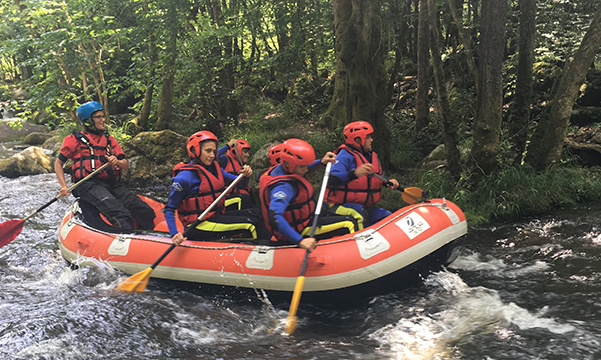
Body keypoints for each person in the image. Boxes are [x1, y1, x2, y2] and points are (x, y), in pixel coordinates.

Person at [54, 101, 156, 232]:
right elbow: (58, 163)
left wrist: (117, 161)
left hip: (110, 184)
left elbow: (125, 165)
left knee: (145, 210)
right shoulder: (74, 140)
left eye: (103, 116)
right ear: (88, 121)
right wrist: (64, 186)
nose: (103, 120)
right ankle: (123, 241)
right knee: (121, 214)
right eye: (98, 117)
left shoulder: (109, 140)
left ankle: (149, 238)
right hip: (87, 185)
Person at [165, 130, 269, 245]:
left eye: (214, 151)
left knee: (258, 213)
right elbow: (169, 209)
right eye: (208, 151)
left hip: (216, 215)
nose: (212, 155)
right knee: (251, 224)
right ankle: (263, 253)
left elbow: (239, 184)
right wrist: (174, 234)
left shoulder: (214, 168)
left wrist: (246, 175)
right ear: (195, 151)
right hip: (198, 225)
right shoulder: (184, 177)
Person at [259, 138, 358, 252]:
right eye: (302, 166)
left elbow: (305, 169)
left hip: (306, 218)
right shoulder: (284, 187)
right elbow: (274, 217)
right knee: (349, 223)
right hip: (298, 230)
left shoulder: (282, 169)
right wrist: (300, 241)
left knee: (325, 209)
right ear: (287, 163)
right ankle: (354, 259)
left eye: (306, 165)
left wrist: (321, 162)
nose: (306, 169)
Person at [325, 121, 400, 229]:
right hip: (337, 206)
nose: (372, 140)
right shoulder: (344, 156)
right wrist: (354, 173)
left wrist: (387, 181)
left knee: (387, 217)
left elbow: (372, 178)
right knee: (359, 215)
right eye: (368, 137)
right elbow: (331, 179)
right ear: (358, 140)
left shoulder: (369, 156)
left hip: (364, 207)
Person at [217, 138, 255, 210]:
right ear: (235, 151)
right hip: (229, 199)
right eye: (245, 152)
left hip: (241, 197)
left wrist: (246, 176)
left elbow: (243, 186)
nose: (248, 155)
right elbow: (212, 156)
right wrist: (227, 146)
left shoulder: (241, 166)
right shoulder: (224, 159)